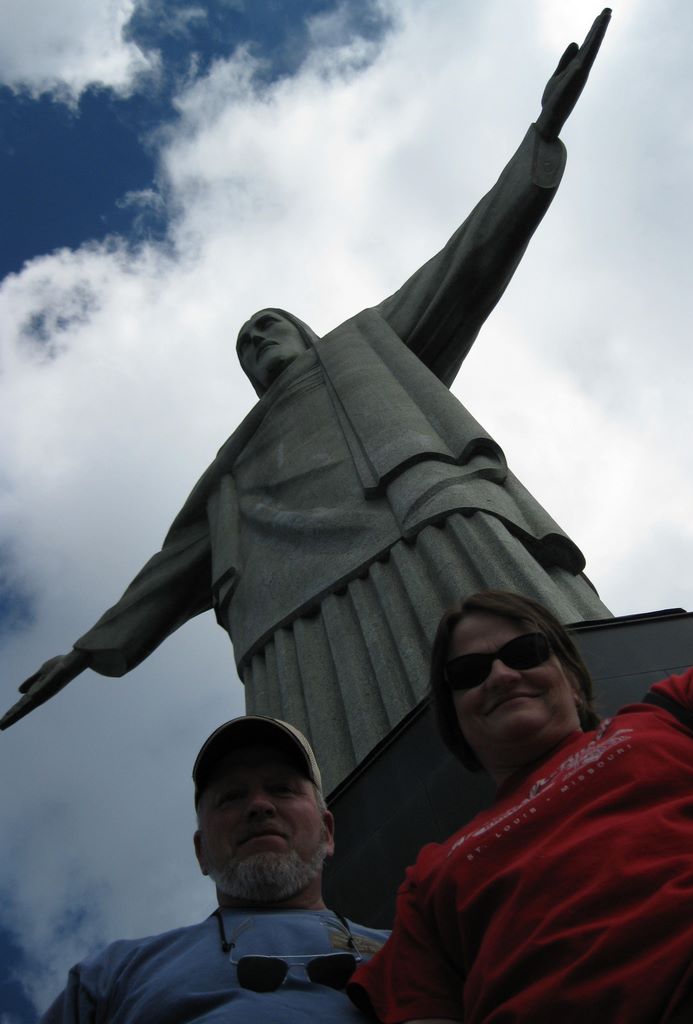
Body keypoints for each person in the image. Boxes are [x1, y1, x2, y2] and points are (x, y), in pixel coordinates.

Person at [2, 11, 612, 791]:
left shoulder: (367, 344)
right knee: (348, 773)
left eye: (268, 324)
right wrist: (86, 653)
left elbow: (468, 258)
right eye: (244, 342)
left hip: (418, 514)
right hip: (292, 612)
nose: (257, 338)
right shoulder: (230, 472)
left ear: (303, 330)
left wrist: (540, 135)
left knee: (512, 653)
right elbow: (167, 571)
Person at [348, 590, 693, 1023]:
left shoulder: (676, 706)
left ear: (569, 673)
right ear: (453, 714)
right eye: (468, 672)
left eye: (525, 652)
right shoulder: (428, 877)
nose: (501, 676)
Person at [42, 715, 389, 1022]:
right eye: (231, 796)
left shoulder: (413, 949)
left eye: (282, 789)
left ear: (327, 832)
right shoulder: (113, 975)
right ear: (201, 852)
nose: (259, 805)